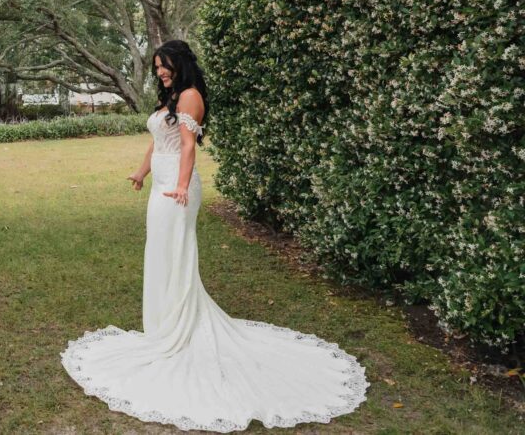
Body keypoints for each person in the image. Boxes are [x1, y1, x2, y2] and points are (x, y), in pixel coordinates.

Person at [61, 39, 368, 431]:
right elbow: (158, 143)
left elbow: (188, 148)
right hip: (162, 185)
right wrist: (141, 172)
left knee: (176, 252)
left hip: (178, 188)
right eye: (157, 67)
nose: (160, 72)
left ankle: (179, 327)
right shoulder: (171, 98)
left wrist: (182, 185)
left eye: (165, 65)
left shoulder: (190, 97)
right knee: (161, 252)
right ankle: (163, 325)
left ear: (180, 63)